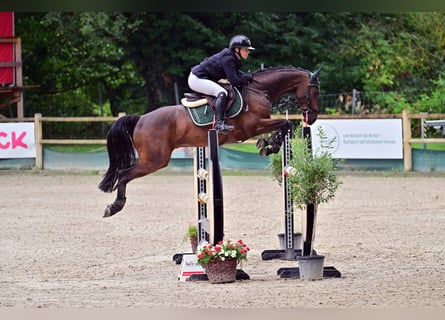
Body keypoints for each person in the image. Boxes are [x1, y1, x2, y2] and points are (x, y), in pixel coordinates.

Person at [188, 34, 255, 132]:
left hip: (204, 78)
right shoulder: (228, 59)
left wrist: (246, 76)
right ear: (237, 49)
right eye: (246, 49)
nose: (248, 52)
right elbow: (235, 81)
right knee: (222, 92)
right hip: (197, 79)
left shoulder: (233, 58)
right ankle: (219, 123)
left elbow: (237, 74)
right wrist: (246, 77)